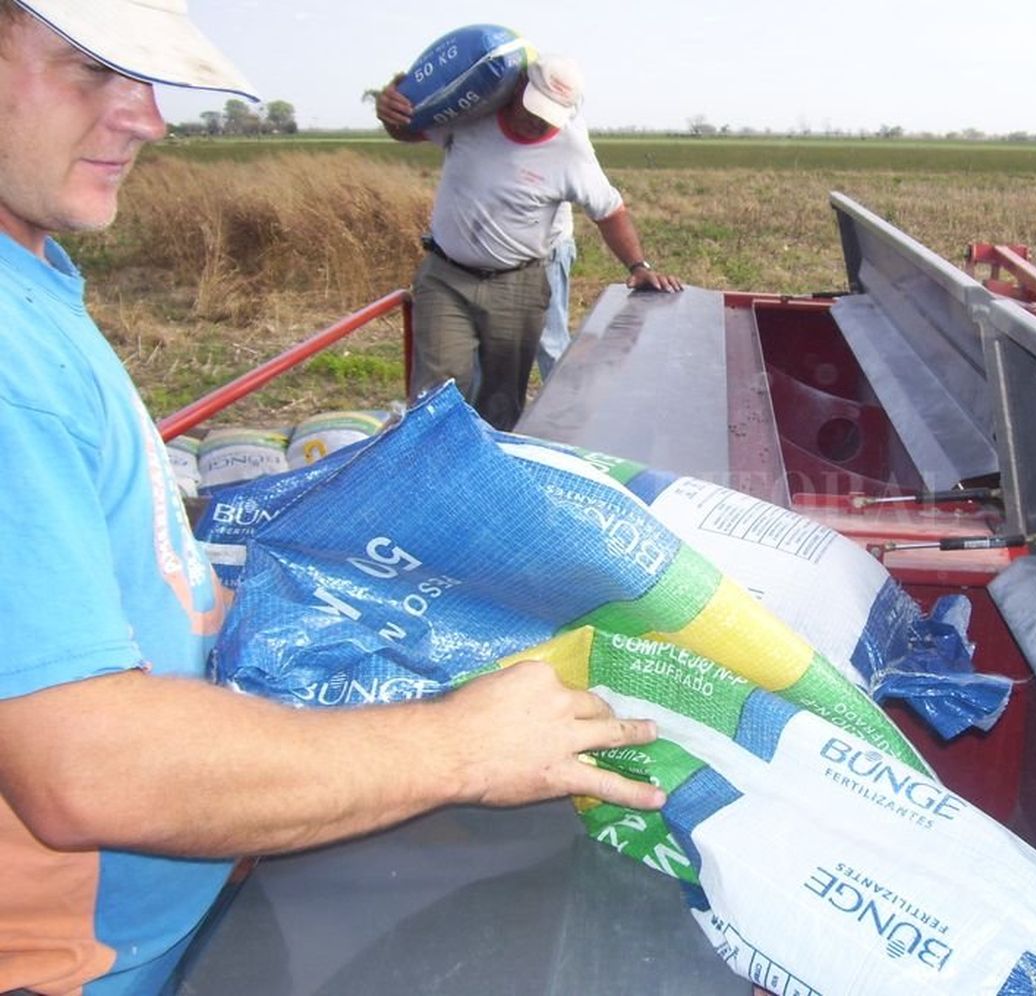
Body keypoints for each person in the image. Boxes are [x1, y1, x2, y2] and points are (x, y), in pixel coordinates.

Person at [0, 3, 663, 993]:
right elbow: (84, 771)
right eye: (94, 70)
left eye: (146, 78)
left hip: (189, 888)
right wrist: (460, 747)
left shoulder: (34, 281)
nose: (150, 119)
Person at [376, 52, 683, 430]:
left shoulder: (571, 150)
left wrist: (638, 267)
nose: (537, 122)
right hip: (447, 277)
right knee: (439, 390)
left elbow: (610, 211)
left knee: (502, 399)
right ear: (518, 85)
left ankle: (492, 475)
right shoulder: (474, 113)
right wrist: (390, 107)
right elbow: (407, 129)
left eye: (549, 115)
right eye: (534, 108)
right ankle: (430, 474)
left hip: (516, 286)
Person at [537, 202, 576, 381]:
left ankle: (563, 407)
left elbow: (606, 208)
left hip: (546, 250)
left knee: (550, 343)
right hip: (493, 254)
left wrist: (637, 266)